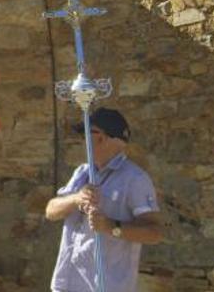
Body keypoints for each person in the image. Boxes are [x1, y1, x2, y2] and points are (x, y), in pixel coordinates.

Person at [45, 107, 162, 292]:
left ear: (101, 137)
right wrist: (75, 199)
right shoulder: (82, 172)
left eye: (85, 134)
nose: (83, 141)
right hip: (67, 285)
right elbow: (50, 211)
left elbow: (154, 232)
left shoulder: (135, 179)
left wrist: (111, 227)